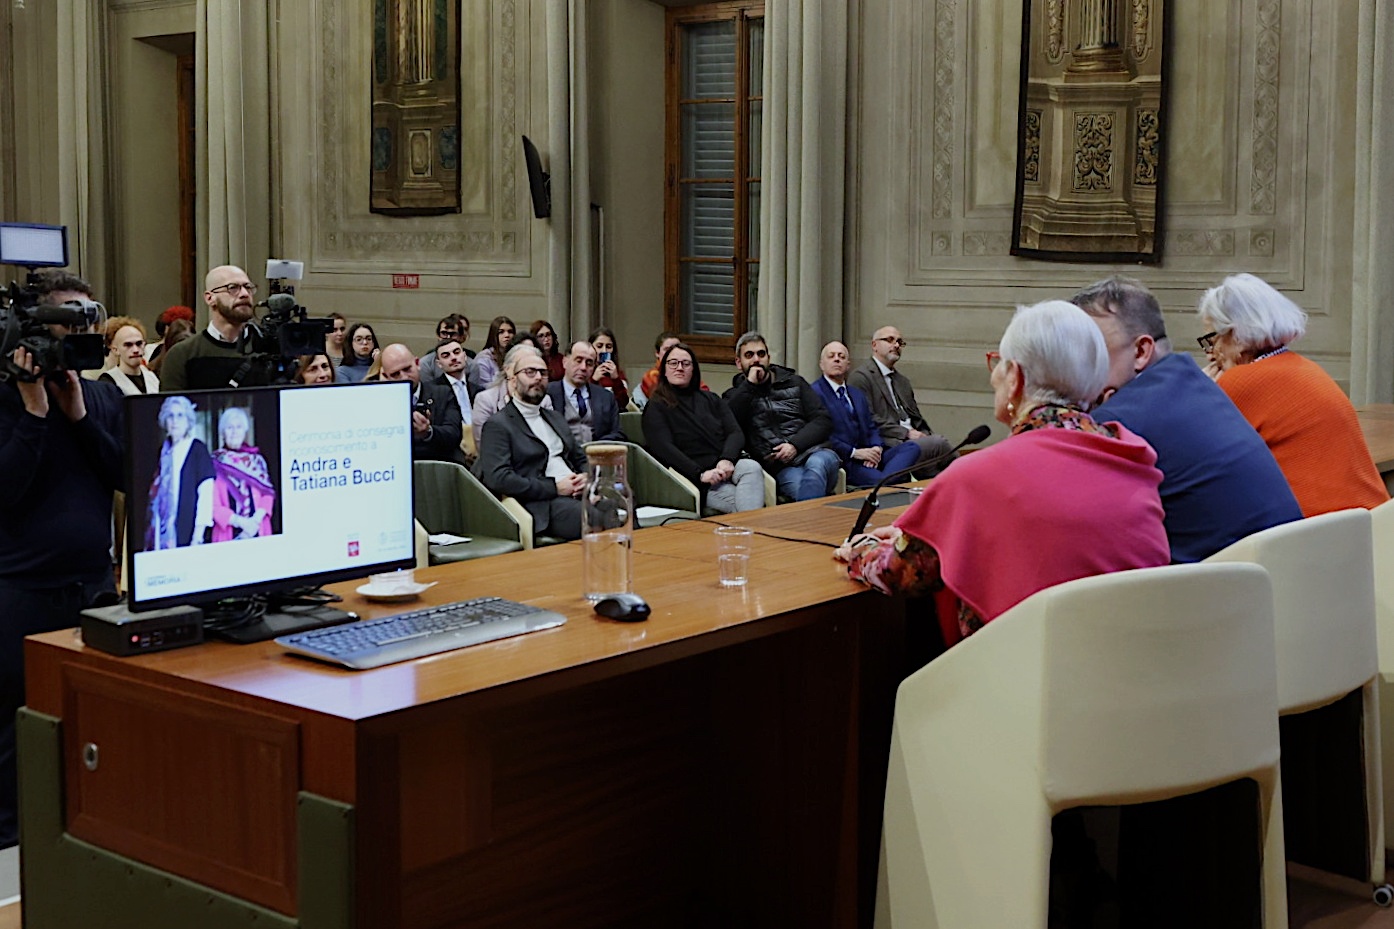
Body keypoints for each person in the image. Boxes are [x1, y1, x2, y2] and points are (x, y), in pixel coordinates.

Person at [836, 300, 1169, 646]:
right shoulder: (1131, 456)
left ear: (1016, 378)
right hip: (1128, 672)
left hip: (1018, 680)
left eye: (998, 364)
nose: (993, 375)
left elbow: (899, 572)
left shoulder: (978, 475)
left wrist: (863, 548)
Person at [1074, 276, 1302, 562]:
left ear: (1142, 352)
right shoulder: (1191, 380)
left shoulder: (1118, 420)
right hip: (1285, 576)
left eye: (1090, 352)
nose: (1077, 367)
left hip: (1225, 592)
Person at [0, 338, 125, 850]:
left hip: (94, 586)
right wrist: (33, 413)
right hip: (18, 593)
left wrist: (78, 416)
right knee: (14, 732)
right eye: (61, 327)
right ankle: (11, 853)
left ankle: (89, 844)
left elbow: (126, 475)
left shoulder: (99, 397)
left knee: (96, 725)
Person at [1198, 273, 1388, 516]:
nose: (1210, 353)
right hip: (1371, 525)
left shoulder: (1241, 381)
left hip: (1313, 536)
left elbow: (1188, 457)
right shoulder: (1303, 367)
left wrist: (1199, 391)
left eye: (1211, 339)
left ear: (1237, 337)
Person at [475, 346, 588, 540]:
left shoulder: (554, 418)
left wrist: (587, 476)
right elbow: (499, 478)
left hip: (577, 492)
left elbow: (580, 457)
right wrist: (555, 487)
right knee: (592, 515)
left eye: (543, 373)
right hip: (542, 503)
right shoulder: (498, 425)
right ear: (513, 379)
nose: (537, 377)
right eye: (530, 372)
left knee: (623, 501)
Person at [643, 342, 764, 513]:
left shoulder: (711, 399)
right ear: (664, 369)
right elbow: (664, 448)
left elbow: (735, 432)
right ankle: (755, 533)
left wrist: (727, 459)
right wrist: (700, 474)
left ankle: (752, 531)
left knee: (752, 467)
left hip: (725, 467)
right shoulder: (656, 406)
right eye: (673, 363)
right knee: (745, 505)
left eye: (686, 363)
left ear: (693, 369)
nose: (679, 368)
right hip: (694, 478)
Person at [724, 331, 839, 502]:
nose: (756, 360)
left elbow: (823, 420)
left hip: (816, 452)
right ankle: (818, 521)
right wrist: (749, 386)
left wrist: (794, 445)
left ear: (768, 358)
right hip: (782, 467)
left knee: (816, 467)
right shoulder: (733, 396)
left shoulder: (795, 382)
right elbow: (730, 426)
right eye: (749, 355)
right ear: (739, 363)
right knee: (802, 491)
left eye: (761, 354)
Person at [812, 341, 926, 487]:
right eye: (831, 356)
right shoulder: (815, 393)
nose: (837, 359)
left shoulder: (856, 393)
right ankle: (889, 481)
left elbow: (871, 426)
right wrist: (856, 453)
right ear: (821, 364)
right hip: (848, 460)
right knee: (889, 479)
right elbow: (823, 437)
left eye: (841, 357)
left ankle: (887, 481)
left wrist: (876, 448)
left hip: (872, 455)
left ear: (848, 365)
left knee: (913, 447)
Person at [847, 325, 953, 475]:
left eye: (899, 342)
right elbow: (868, 419)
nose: (896, 345)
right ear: (874, 345)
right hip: (890, 443)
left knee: (936, 468)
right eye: (890, 340)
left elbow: (917, 419)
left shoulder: (902, 381)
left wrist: (925, 434)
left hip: (915, 441)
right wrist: (906, 433)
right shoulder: (860, 377)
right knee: (939, 445)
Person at [160, 265, 258, 391]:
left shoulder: (269, 351)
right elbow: (173, 407)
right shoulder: (183, 354)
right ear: (210, 298)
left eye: (248, 287)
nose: (244, 294)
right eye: (233, 288)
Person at [380, 343, 468, 466]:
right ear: (385, 376)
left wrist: (428, 432)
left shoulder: (442, 393)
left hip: (441, 465)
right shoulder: (382, 403)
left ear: (417, 363)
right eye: (395, 374)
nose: (404, 377)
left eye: (407, 369)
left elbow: (454, 434)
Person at [146, 395, 215, 549]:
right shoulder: (162, 452)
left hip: (189, 533)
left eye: (180, 415)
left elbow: (206, 494)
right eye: (170, 415)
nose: (175, 421)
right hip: (162, 534)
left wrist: (198, 536)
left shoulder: (197, 448)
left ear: (188, 420)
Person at [211, 407, 275, 542]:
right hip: (228, 534)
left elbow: (268, 494)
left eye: (239, 427)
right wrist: (241, 523)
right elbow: (212, 506)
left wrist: (254, 522)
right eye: (229, 427)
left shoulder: (256, 460)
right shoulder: (213, 462)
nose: (234, 432)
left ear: (245, 430)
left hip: (257, 529)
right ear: (223, 432)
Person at [472, 344, 553, 447]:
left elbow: (550, 442)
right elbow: (484, 445)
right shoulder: (485, 400)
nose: (536, 376)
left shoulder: (545, 400)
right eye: (525, 367)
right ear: (507, 369)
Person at [547, 340, 624, 445]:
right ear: (564, 362)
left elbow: (618, 434)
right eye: (578, 361)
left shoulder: (606, 397)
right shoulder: (548, 393)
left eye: (589, 363)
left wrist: (596, 448)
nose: (583, 368)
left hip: (597, 456)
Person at [434, 337, 478, 461]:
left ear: (464, 356)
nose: (453, 357)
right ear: (439, 364)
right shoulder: (433, 391)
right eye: (446, 355)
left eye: (457, 352)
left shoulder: (479, 391)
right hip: (450, 454)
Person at [98, 318, 160, 395]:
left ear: (144, 345)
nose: (135, 350)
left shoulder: (152, 377)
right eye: (128, 345)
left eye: (139, 343)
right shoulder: (107, 381)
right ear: (115, 350)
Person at [472, 316, 516, 393]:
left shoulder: (516, 355)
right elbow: (484, 387)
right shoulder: (484, 358)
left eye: (510, 331)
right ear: (494, 335)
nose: (507, 335)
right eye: (501, 332)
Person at [589, 327, 630, 409]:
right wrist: (594, 380)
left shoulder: (618, 374)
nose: (604, 351)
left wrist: (616, 379)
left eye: (608, 346)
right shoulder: (584, 371)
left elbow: (622, 404)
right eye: (599, 346)